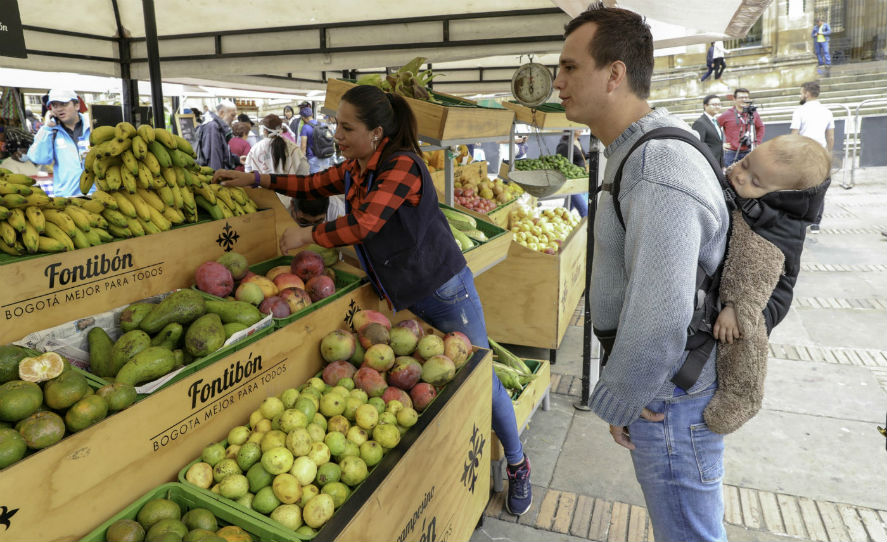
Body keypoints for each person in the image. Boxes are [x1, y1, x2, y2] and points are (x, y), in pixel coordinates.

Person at [211, 84, 533, 516]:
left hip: (444, 290)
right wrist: (253, 177)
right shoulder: (354, 168)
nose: (337, 135)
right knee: (431, 379)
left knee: (482, 376)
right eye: (336, 126)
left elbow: (364, 224)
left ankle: (517, 463)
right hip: (402, 294)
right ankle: (454, 470)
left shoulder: (402, 166)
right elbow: (308, 182)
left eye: (347, 127)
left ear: (376, 132)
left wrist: (308, 234)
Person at [554, 4, 730, 541]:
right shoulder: (634, 151)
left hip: (668, 396)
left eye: (569, 67)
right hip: (665, 390)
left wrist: (620, 396)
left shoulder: (656, 166)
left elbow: (659, 316)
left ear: (614, 73)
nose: (556, 82)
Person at [705, 135, 831, 433]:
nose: (740, 175)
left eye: (755, 181)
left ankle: (739, 397)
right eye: (746, 163)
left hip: (763, 298)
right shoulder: (751, 191)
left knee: (743, 339)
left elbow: (756, 269)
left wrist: (739, 307)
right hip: (741, 285)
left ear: (783, 194)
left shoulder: (778, 221)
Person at [26, 88, 91, 198]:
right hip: (67, 197)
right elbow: (39, 158)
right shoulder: (50, 131)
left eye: (64, 104)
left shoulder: (92, 126)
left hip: (96, 193)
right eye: (55, 106)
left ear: (77, 105)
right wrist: (47, 129)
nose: (59, 109)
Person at [791, 81, 834, 233]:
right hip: (821, 153)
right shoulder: (827, 111)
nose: (800, 95)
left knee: (801, 187)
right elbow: (830, 136)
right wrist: (829, 152)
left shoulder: (800, 111)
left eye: (801, 92)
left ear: (807, 93)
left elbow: (795, 134)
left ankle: (802, 219)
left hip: (804, 153)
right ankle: (816, 222)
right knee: (820, 188)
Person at [718, 87, 765, 167]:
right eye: (741, 97)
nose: (744, 99)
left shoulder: (753, 113)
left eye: (746, 97)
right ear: (734, 99)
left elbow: (760, 127)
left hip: (749, 151)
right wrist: (720, 144)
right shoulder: (726, 114)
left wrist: (757, 142)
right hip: (731, 153)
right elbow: (714, 128)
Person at [197, 100, 241, 171]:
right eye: (232, 115)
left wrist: (237, 159)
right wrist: (218, 178)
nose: (235, 118)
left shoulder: (218, 126)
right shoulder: (213, 127)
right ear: (221, 113)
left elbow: (222, 152)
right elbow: (213, 158)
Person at [556, 131, 589, 218]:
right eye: (579, 127)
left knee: (567, 209)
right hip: (572, 182)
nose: (582, 130)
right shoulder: (564, 145)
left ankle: (558, 222)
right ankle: (588, 229)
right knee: (584, 210)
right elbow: (560, 163)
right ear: (571, 129)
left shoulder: (577, 141)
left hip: (579, 180)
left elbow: (583, 156)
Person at [299, 104, 333, 173]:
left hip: (313, 158)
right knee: (325, 177)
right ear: (312, 115)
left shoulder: (305, 127)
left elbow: (303, 146)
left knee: (315, 181)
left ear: (303, 117)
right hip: (325, 155)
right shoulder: (322, 124)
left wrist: (302, 160)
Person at [692, 94, 725, 167]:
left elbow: (719, 144)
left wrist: (722, 165)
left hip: (717, 163)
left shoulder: (715, 121)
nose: (717, 106)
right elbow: (698, 145)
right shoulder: (700, 123)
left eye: (719, 104)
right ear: (705, 106)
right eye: (714, 104)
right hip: (707, 163)